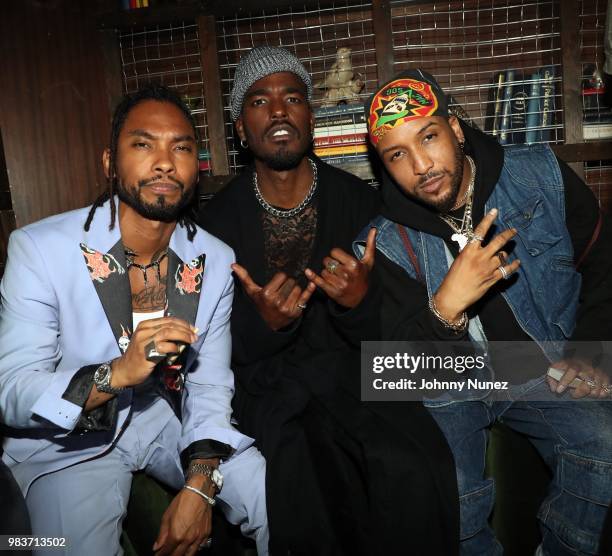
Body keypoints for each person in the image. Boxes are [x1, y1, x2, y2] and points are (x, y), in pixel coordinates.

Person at [198, 46, 459, 556]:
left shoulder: (361, 202)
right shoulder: (216, 227)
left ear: (310, 117)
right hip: (269, 391)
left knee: (406, 463)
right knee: (302, 476)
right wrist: (267, 325)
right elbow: (211, 355)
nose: (278, 111)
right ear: (239, 127)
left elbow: (392, 337)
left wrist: (359, 301)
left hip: (355, 378)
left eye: (292, 98)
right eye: (259, 101)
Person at [0, 84, 268, 556]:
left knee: (273, 497)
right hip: (64, 448)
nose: (164, 162)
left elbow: (208, 389)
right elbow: (12, 390)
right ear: (110, 163)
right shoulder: (39, 249)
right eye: (143, 144)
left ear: (196, 167)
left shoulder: (213, 257)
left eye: (181, 147)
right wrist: (117, 373)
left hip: (161, 421)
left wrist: (201, 486)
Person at [359, 68, 612, 555]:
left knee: (604, 443)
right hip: (452, 380)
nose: (421, 165)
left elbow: (604, 265)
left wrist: (588, 350)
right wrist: (444, 310)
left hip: (546, 365)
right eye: (397, 154)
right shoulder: (384, 241)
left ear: (454, 127)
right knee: (448, 492)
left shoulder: (539, 175)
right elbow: (391, 370)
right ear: (383, 165)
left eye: (428, 137)